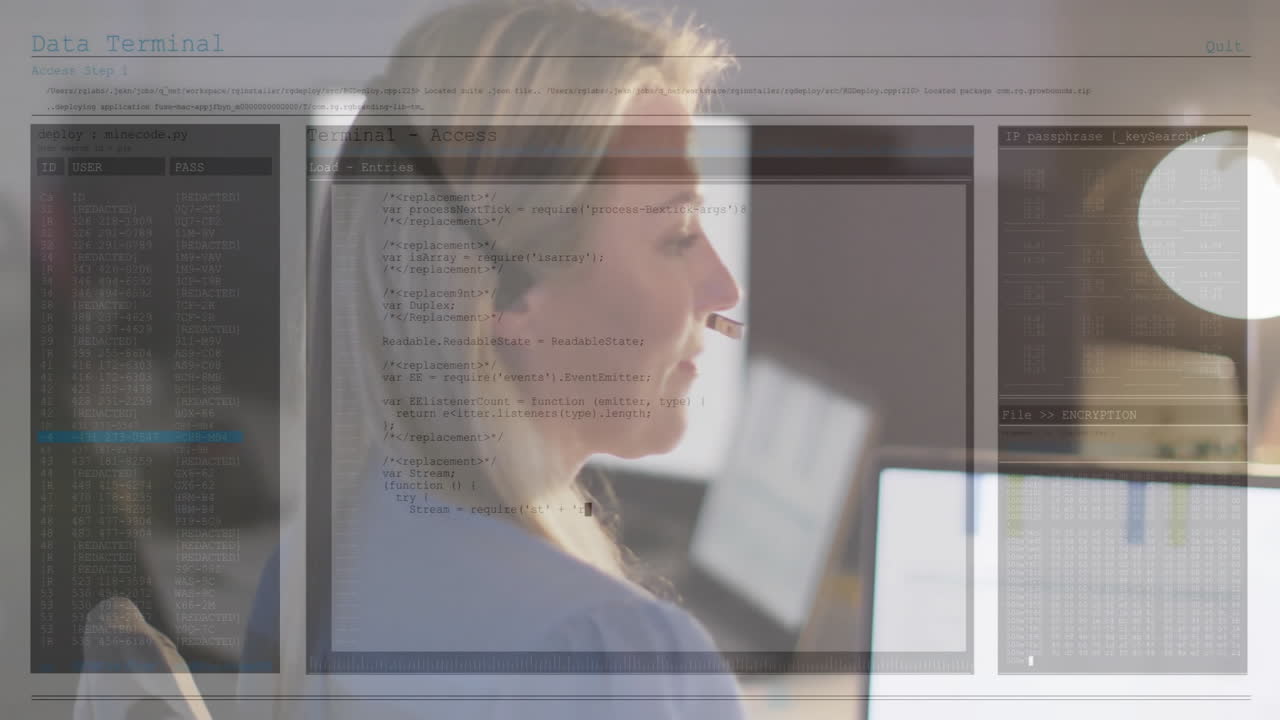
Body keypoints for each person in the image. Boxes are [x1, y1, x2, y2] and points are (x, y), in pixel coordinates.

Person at [240, 2, 749, 718]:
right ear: (506, 289)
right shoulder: (605, 652)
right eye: (677, 236)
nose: (724, 288)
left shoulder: (310, 566)